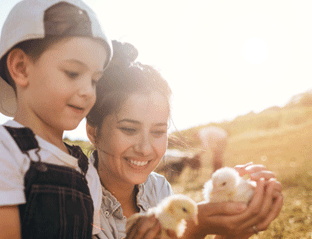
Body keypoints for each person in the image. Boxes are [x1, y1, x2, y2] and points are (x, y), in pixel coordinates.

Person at [86, 40, 284, 239]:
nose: (145, 149)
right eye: (129, 129)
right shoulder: (71, 200)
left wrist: (232, 229)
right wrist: (196, 227)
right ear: (94, 133)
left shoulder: (158, 188)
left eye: (158, 132)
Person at [0, 0, 112, 239]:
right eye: (73, 73)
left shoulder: (86, 172)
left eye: (95, 80)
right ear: (21, 68)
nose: (87, 91)